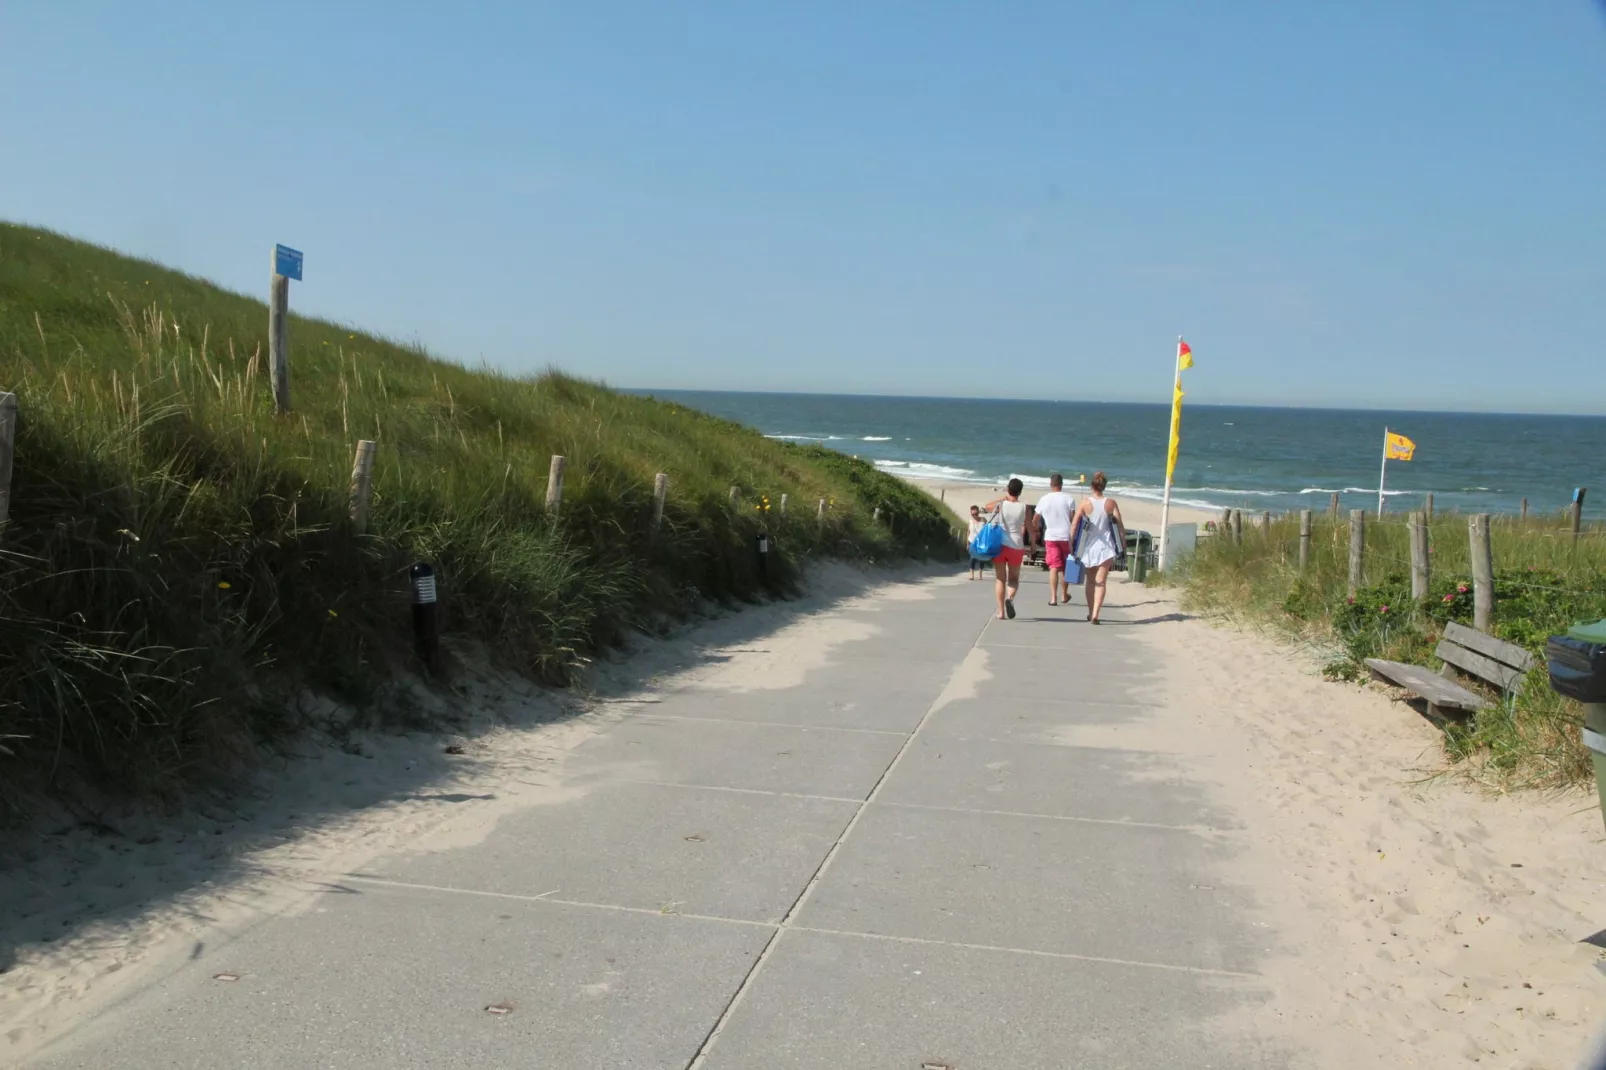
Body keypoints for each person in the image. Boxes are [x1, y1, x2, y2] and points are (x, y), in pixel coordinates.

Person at [1072, 471, 1125, 624]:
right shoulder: (1111, 503)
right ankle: (1095, 614)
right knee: (1101, 581)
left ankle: (1090, 612)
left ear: (1091, 486)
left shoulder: (1084, 503)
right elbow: (1120, 525)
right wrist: (1122, 542)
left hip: (1089, 546)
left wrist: (1071, 542)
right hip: (1107, 547)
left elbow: (1075, 524)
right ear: (1104, 486)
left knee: (1090, 581)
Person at [980, 478, 1028, 619]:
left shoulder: (1001, 504)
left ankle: (1000, 612)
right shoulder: (1024, 507)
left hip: (1000, 544)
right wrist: (1031, 546)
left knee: (1000, 578)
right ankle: (1010, 598)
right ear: (1020, 491)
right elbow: (1031, 529)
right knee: (1013, 578)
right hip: (1016, 545)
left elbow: (987, 506)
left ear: (1008, 489)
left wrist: (1002, 498)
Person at [1035, 473, 1078, 607]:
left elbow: (1035, 518)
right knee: (1065, 567)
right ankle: (1064, 595)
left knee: (1054, 567)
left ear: (1050, 484)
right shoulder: (1069, 498)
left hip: (1051, 536)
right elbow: (1073, 519)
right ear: (1062, 484)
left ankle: (1053, 598)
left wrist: (1035, 531)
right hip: (1066, 536)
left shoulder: (1044, 499)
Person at [966, 505, 987, 580]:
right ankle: (971, 574)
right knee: (972, 558)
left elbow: (987, 531)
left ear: (978, 512)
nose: (975, 516)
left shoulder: (983, 520)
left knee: (981, 558)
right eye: (973, 514)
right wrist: (967, 544)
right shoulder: (970, 521)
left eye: (976, 514)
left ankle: (980, 573)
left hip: (981, 542)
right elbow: (968, 532)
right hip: (972, 541)